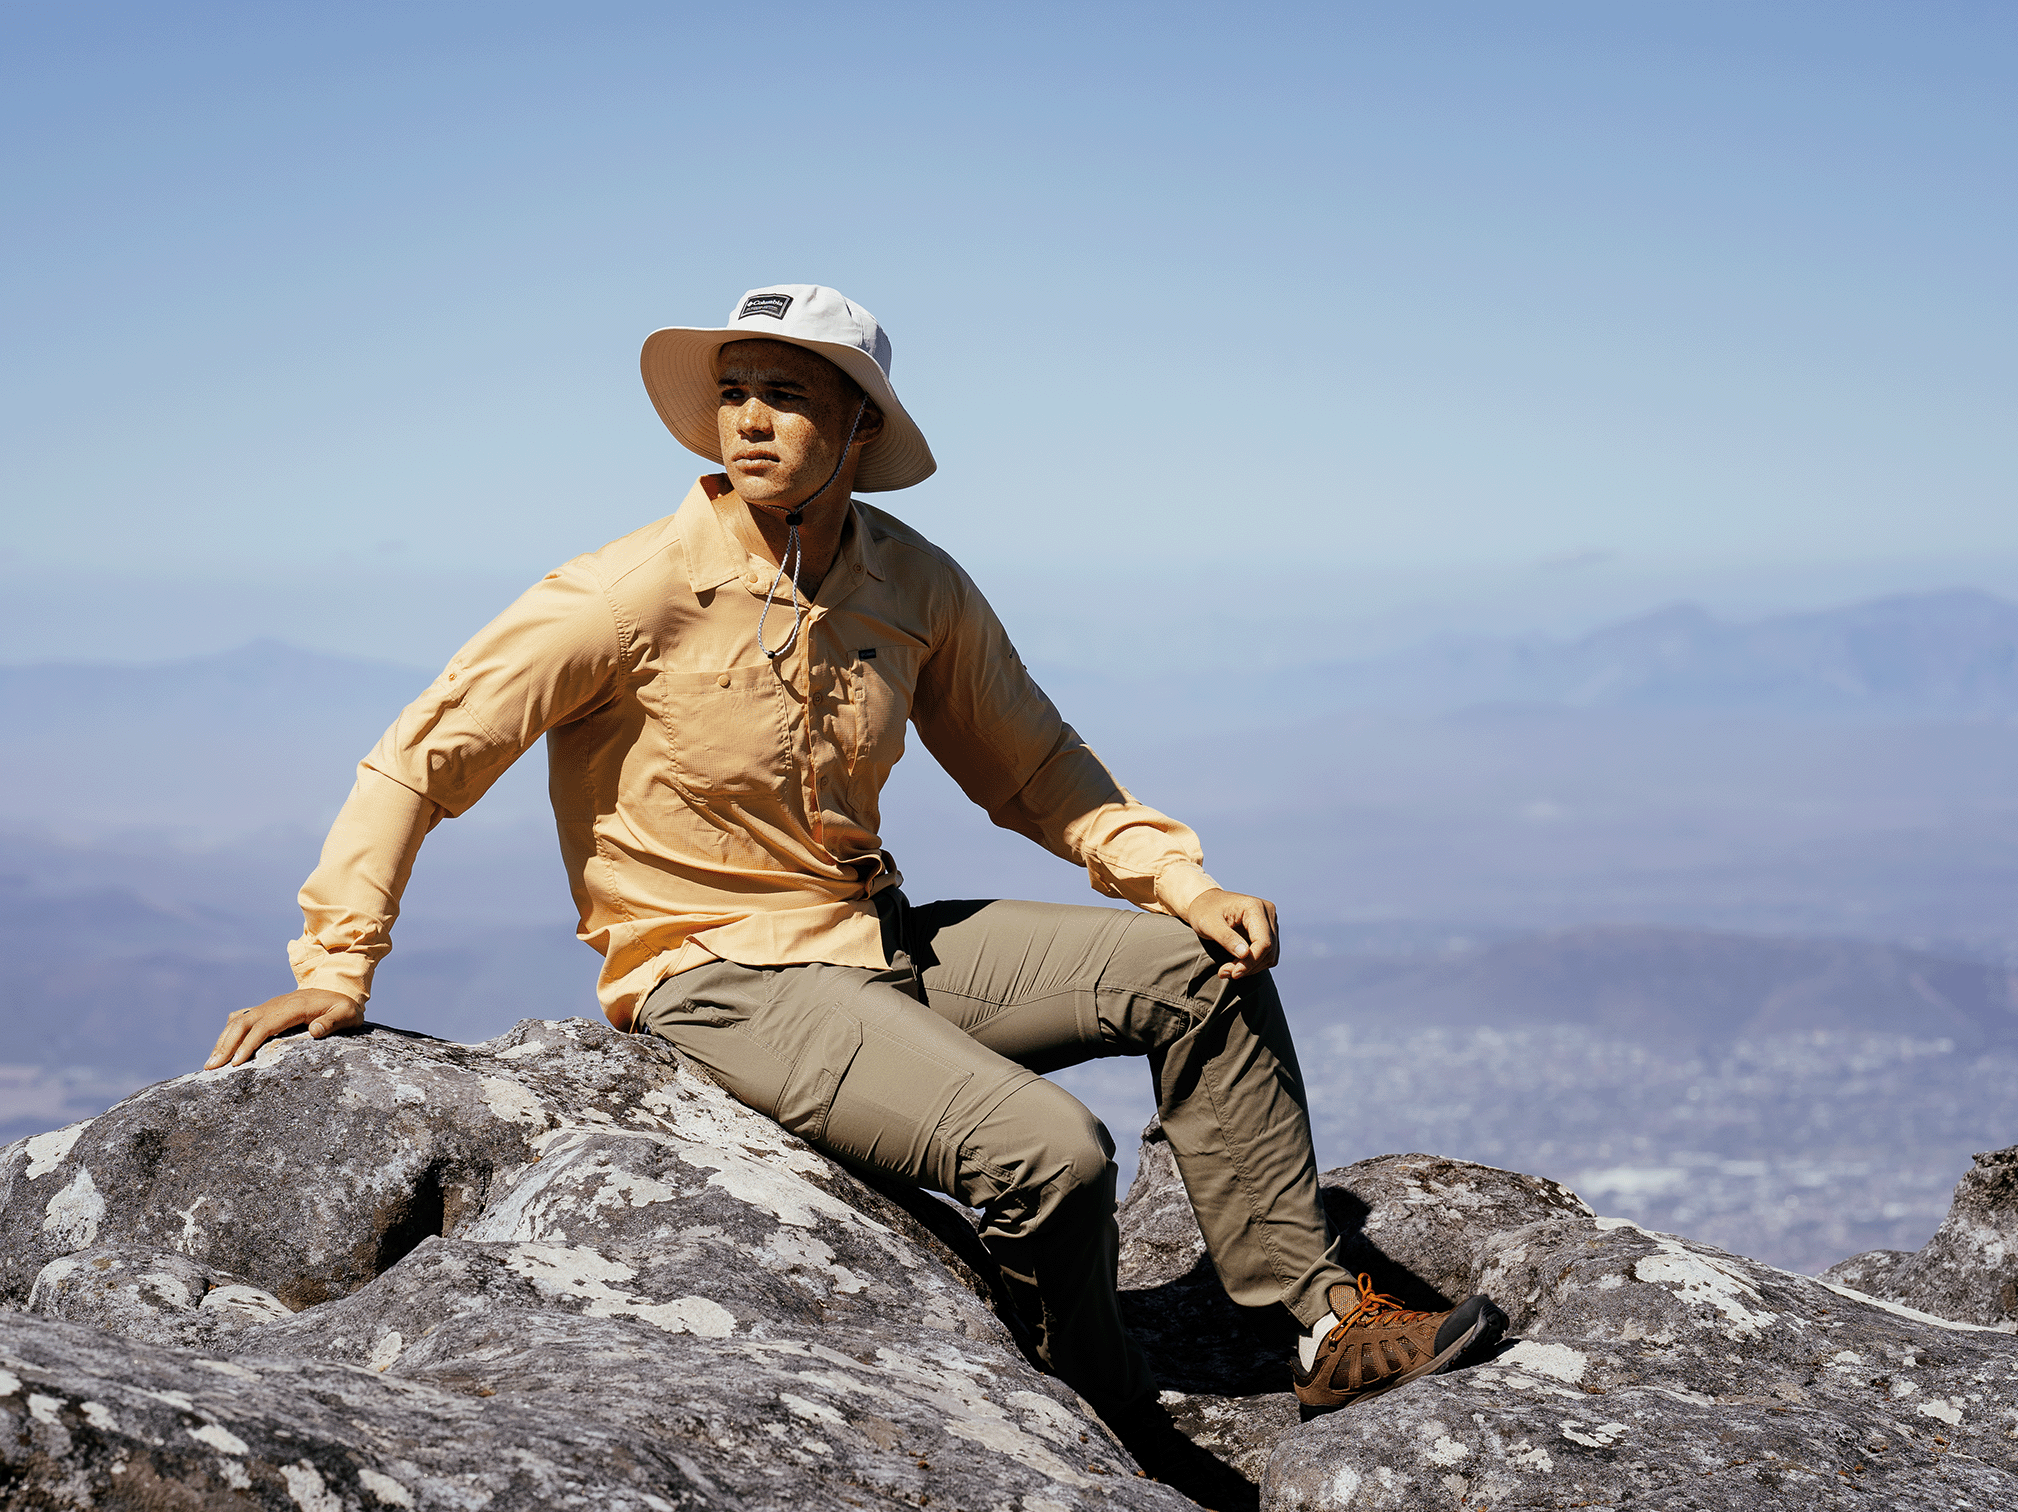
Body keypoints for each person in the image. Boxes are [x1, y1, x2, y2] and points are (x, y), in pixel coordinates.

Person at [204, 284, 1505, 1454]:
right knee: (1054, 1156)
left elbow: (1037, 766)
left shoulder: (911, 583)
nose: (752, 421)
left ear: (861, 431)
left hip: (874, 940)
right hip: (715, 978)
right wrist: (337, 965)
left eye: (791, 397)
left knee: (1196, 973)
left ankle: (1327, 1320)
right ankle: (1109, 1425)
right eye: (736, 394)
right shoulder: (625, 591)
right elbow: (418, 760)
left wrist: (1179, 881)